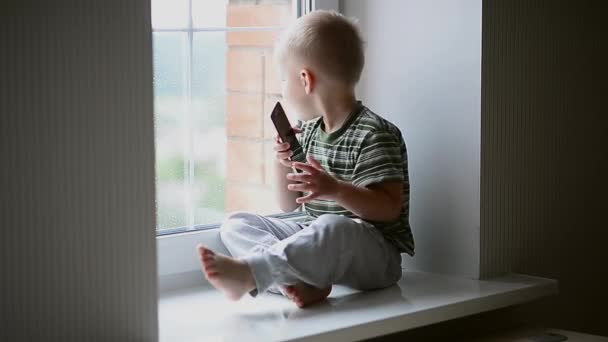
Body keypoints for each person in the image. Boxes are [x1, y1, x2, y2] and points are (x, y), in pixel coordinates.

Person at [197, 10, 414, 308]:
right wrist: (281, 163)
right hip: (317, 237)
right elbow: (289, 205)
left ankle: (256, 273)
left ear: (305, 79)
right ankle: (296, 279)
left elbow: (388, 208)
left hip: (376, 256)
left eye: (283, 80)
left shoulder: (374, 133)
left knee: (334, 227)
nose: (283, 89)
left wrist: (335, 189)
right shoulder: (309, 132)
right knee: (236, 224)